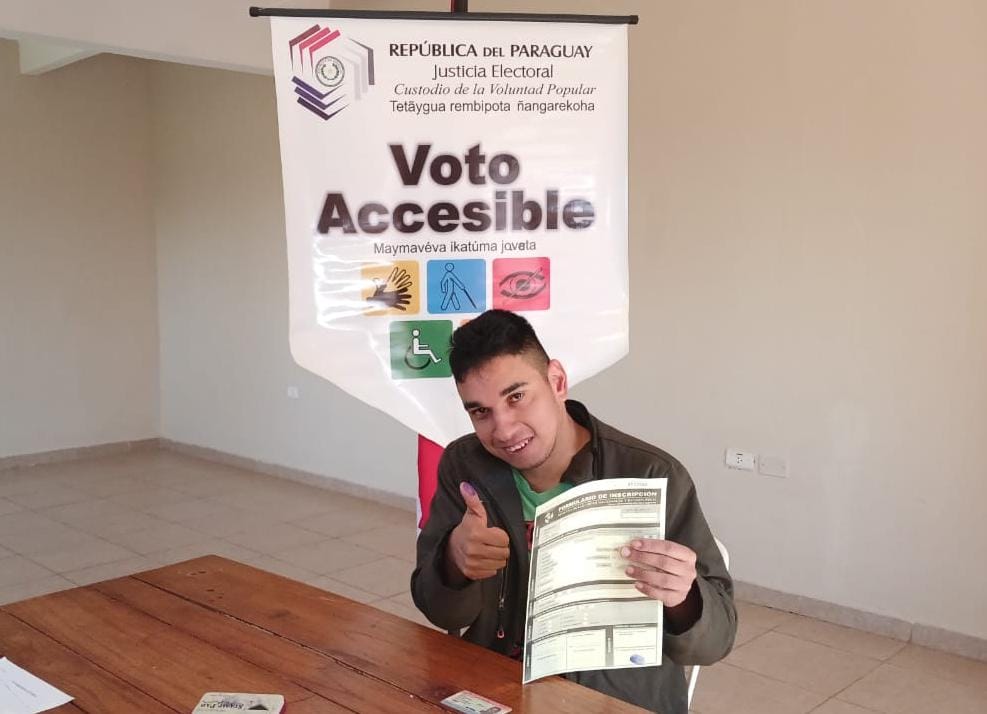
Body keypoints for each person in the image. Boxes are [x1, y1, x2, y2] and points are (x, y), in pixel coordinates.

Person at [412, 310, 736, 714]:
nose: (504, 429)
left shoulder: (650, 474)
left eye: (517, 397)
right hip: (493, 686)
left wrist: (684, 597)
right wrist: (453, 563)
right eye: (481, 411)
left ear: (557, 382)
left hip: (616, 698)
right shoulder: (464, 466)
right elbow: (438, 609)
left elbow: (716, 640)